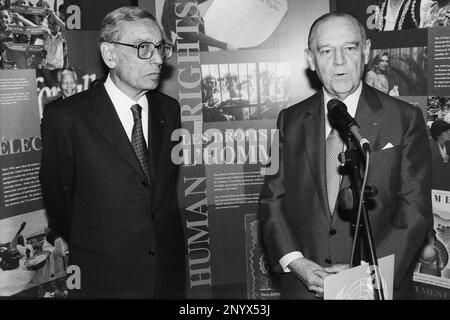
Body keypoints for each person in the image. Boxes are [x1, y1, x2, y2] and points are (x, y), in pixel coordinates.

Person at [259, 12, 433, 300]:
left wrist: (363, 278)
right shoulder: (289, 120)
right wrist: (297, 263)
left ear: (365, 52)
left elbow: (414, 210)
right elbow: (271, 199)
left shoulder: (404, 119)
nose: (339, 61)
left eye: (349, 48)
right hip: (304, 287)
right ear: (311, 59)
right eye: (326, 51)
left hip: (376, 287)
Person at [39, 6, 186, 299]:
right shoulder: (66, 117)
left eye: (160, 47)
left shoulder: (169, 111)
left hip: (166, 273)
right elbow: (59, 200)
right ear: (110, 55)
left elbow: (162, 195)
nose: (158, 59)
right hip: (102, 275)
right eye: (144, 48)